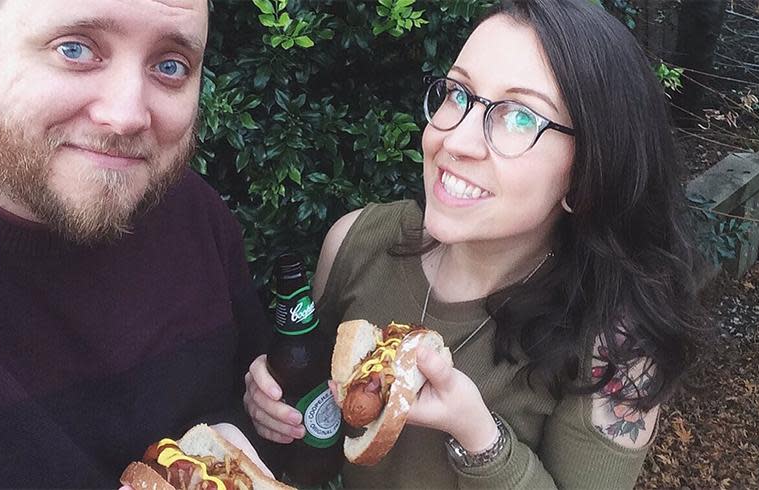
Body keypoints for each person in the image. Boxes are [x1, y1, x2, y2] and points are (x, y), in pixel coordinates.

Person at [244, 0, 705, 487]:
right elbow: (324, 414)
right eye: (458, 94)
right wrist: (276, 406)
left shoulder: (614, 350)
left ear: (589, 174)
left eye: (520, 117)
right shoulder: (356, 243)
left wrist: (479, 437)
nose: (456, 140)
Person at [0, 0, 273, 487]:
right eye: (74, 49)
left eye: (170, 66)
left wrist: (256, 416)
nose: (125, 117)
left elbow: (246, 391)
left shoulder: (195, 213)